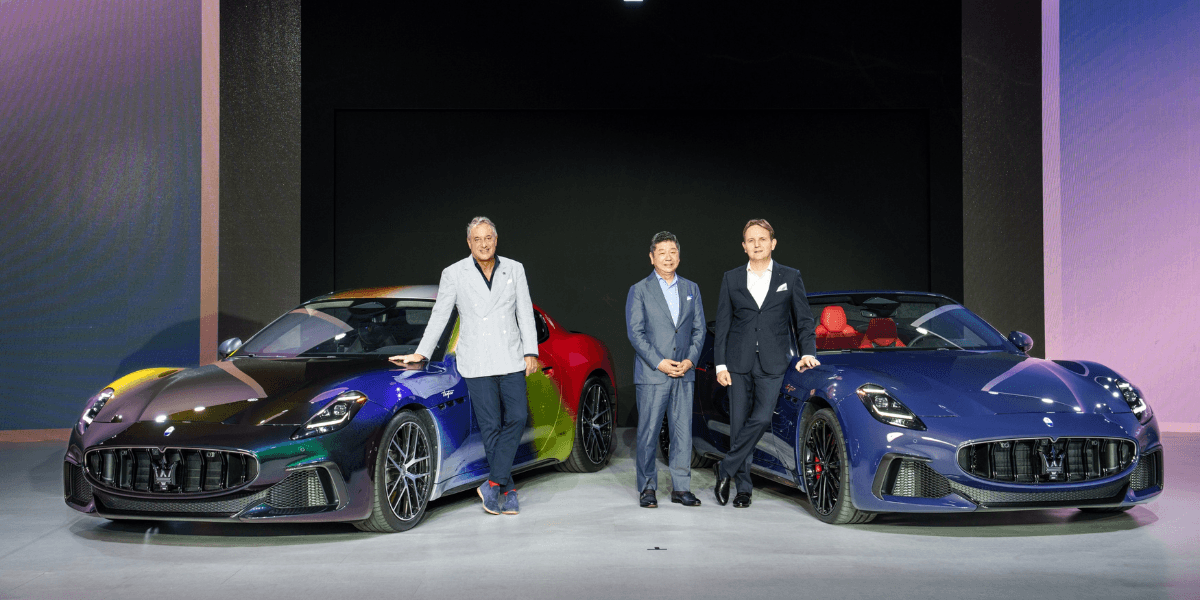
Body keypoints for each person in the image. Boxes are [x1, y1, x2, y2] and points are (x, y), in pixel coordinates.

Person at [391, 216, 538, 516]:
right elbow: (440, 314)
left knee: (518, 417)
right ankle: (506, 488)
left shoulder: (515, 269)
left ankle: (492, 483)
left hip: (510, 356)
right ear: (469, 243)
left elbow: (525, 311)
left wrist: (531, 352)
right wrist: (421, 353)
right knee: (491, 427)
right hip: (476, 361)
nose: (484, 244)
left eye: (489, 238)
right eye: (477, 239)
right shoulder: (454, 273)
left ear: (496, 240)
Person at [712, 219, 819, 508]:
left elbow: (803, 320)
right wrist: (720, 365)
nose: (757, 244)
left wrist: (808, 351)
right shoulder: (731, 278)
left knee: (760, 419)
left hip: (773, 363)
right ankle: (743, 489)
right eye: (751, 239)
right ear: (744, 246)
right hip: (737, 362)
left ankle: (725, 469)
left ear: (772, 243)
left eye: (762, 239)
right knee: (738, 426)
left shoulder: (791, 276)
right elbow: (723, 325)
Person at [625, 231, 706, 509]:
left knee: (682, 432)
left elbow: (699, 330)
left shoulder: (691, 289)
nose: (668, 257)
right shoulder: (639, 290)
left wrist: (690, 360)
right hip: (653, 373)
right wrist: (659, 362)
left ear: (679, 256)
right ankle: (647, 488)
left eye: (673, 251)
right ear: (652, 257)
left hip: (684, 372)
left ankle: (681, 488)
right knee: (648, 433)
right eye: (662, 252)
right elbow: (635, 333)